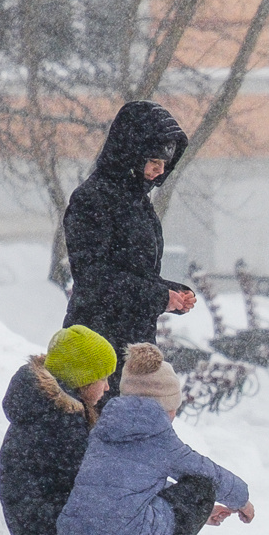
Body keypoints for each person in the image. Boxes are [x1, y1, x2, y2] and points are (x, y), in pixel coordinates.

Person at [57, 343, 253, 535]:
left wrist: (202, 514)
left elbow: (129, 486)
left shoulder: (103, 429)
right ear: (168, 406)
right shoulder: (160, 437)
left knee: (105, 508)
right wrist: (242, 500)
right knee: (201, 488)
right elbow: (208, 474)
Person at [62, 101, 198, 358]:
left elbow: (133, 272)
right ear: (131, 154)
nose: (160, 170)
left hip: (131, 343)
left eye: (165, 163)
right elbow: (93, 278)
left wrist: (172, 294)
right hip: (96, 344)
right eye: (153, 160)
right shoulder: (92, 199)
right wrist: (158, 296)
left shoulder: (138, 203)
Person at [0, 325, 116, 535]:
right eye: (103, 378)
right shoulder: (62, 420)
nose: (108, 387)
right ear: (83, 379)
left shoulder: (44, 408)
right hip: (48, 530)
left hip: (34, 524)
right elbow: (87, 480)